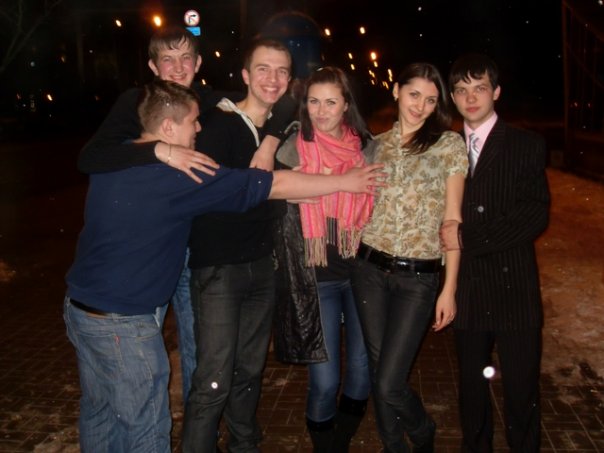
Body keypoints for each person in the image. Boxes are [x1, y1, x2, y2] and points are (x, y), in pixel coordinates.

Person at [64, 78, 384, 453]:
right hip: (124, 324)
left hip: (80, 310)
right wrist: (344, 181)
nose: (199, 127)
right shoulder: (179, 177)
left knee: (100, 413)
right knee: (145, 427)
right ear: (168, 127)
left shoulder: (117, 156)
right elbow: (273, 185)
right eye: (193, 121)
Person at [77, 26, 294, 404]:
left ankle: (198, 419)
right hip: (153, 248)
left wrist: (270, 142)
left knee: (198, 341)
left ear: (198, 63)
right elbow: (90, 158)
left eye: (185, 59)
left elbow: (281, 99)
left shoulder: (208, 101)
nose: (178, 68)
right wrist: (160, 150)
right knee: (143, 339)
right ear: (152, 66)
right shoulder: (136, 101)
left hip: (194, 244)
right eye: (167, 60)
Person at [181, 37, 298, 453]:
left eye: (282, 71)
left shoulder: (278, 125)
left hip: (261, 265)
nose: (273, 79)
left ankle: (244, 443)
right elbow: (219, 195)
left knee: (249, 369)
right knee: (214, 376)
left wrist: (271, 141)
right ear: (246, 75)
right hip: (219, 268)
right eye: (263, 69)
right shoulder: (217, 124)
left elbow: (295, 103)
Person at [351, 62, 468, 452]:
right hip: (368, 269)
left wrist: (449, 289)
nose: (421, 106)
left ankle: (421, 430)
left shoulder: (447, 145)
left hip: (418, 279)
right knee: (378, 368)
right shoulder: (375, 145)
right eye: (414, 94)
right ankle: (393, 446)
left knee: (389, 381)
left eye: (431, 100)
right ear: (396, 90)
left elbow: (452, 221)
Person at [441, 53, 550, 452]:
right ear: (453, 97)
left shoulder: (526, 144)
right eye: (461, 90)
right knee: (472, 396)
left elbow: (533, 216)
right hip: (469, 290)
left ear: (497, 92)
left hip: (514, 288)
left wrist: (467, 237)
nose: (471, 98)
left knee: (521, 393)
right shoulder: (446, 148)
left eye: (480, 88)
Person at [272, 66, 373, 452]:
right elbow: (275, 191)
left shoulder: (366, 146)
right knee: (326, 381)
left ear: (346, 105)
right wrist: (331, 181)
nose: (321, 110)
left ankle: (341, 439)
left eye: (331, 102)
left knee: (362, 370)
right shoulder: (292, 145)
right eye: (314, 101)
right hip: (318, 276)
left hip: (361, 272)